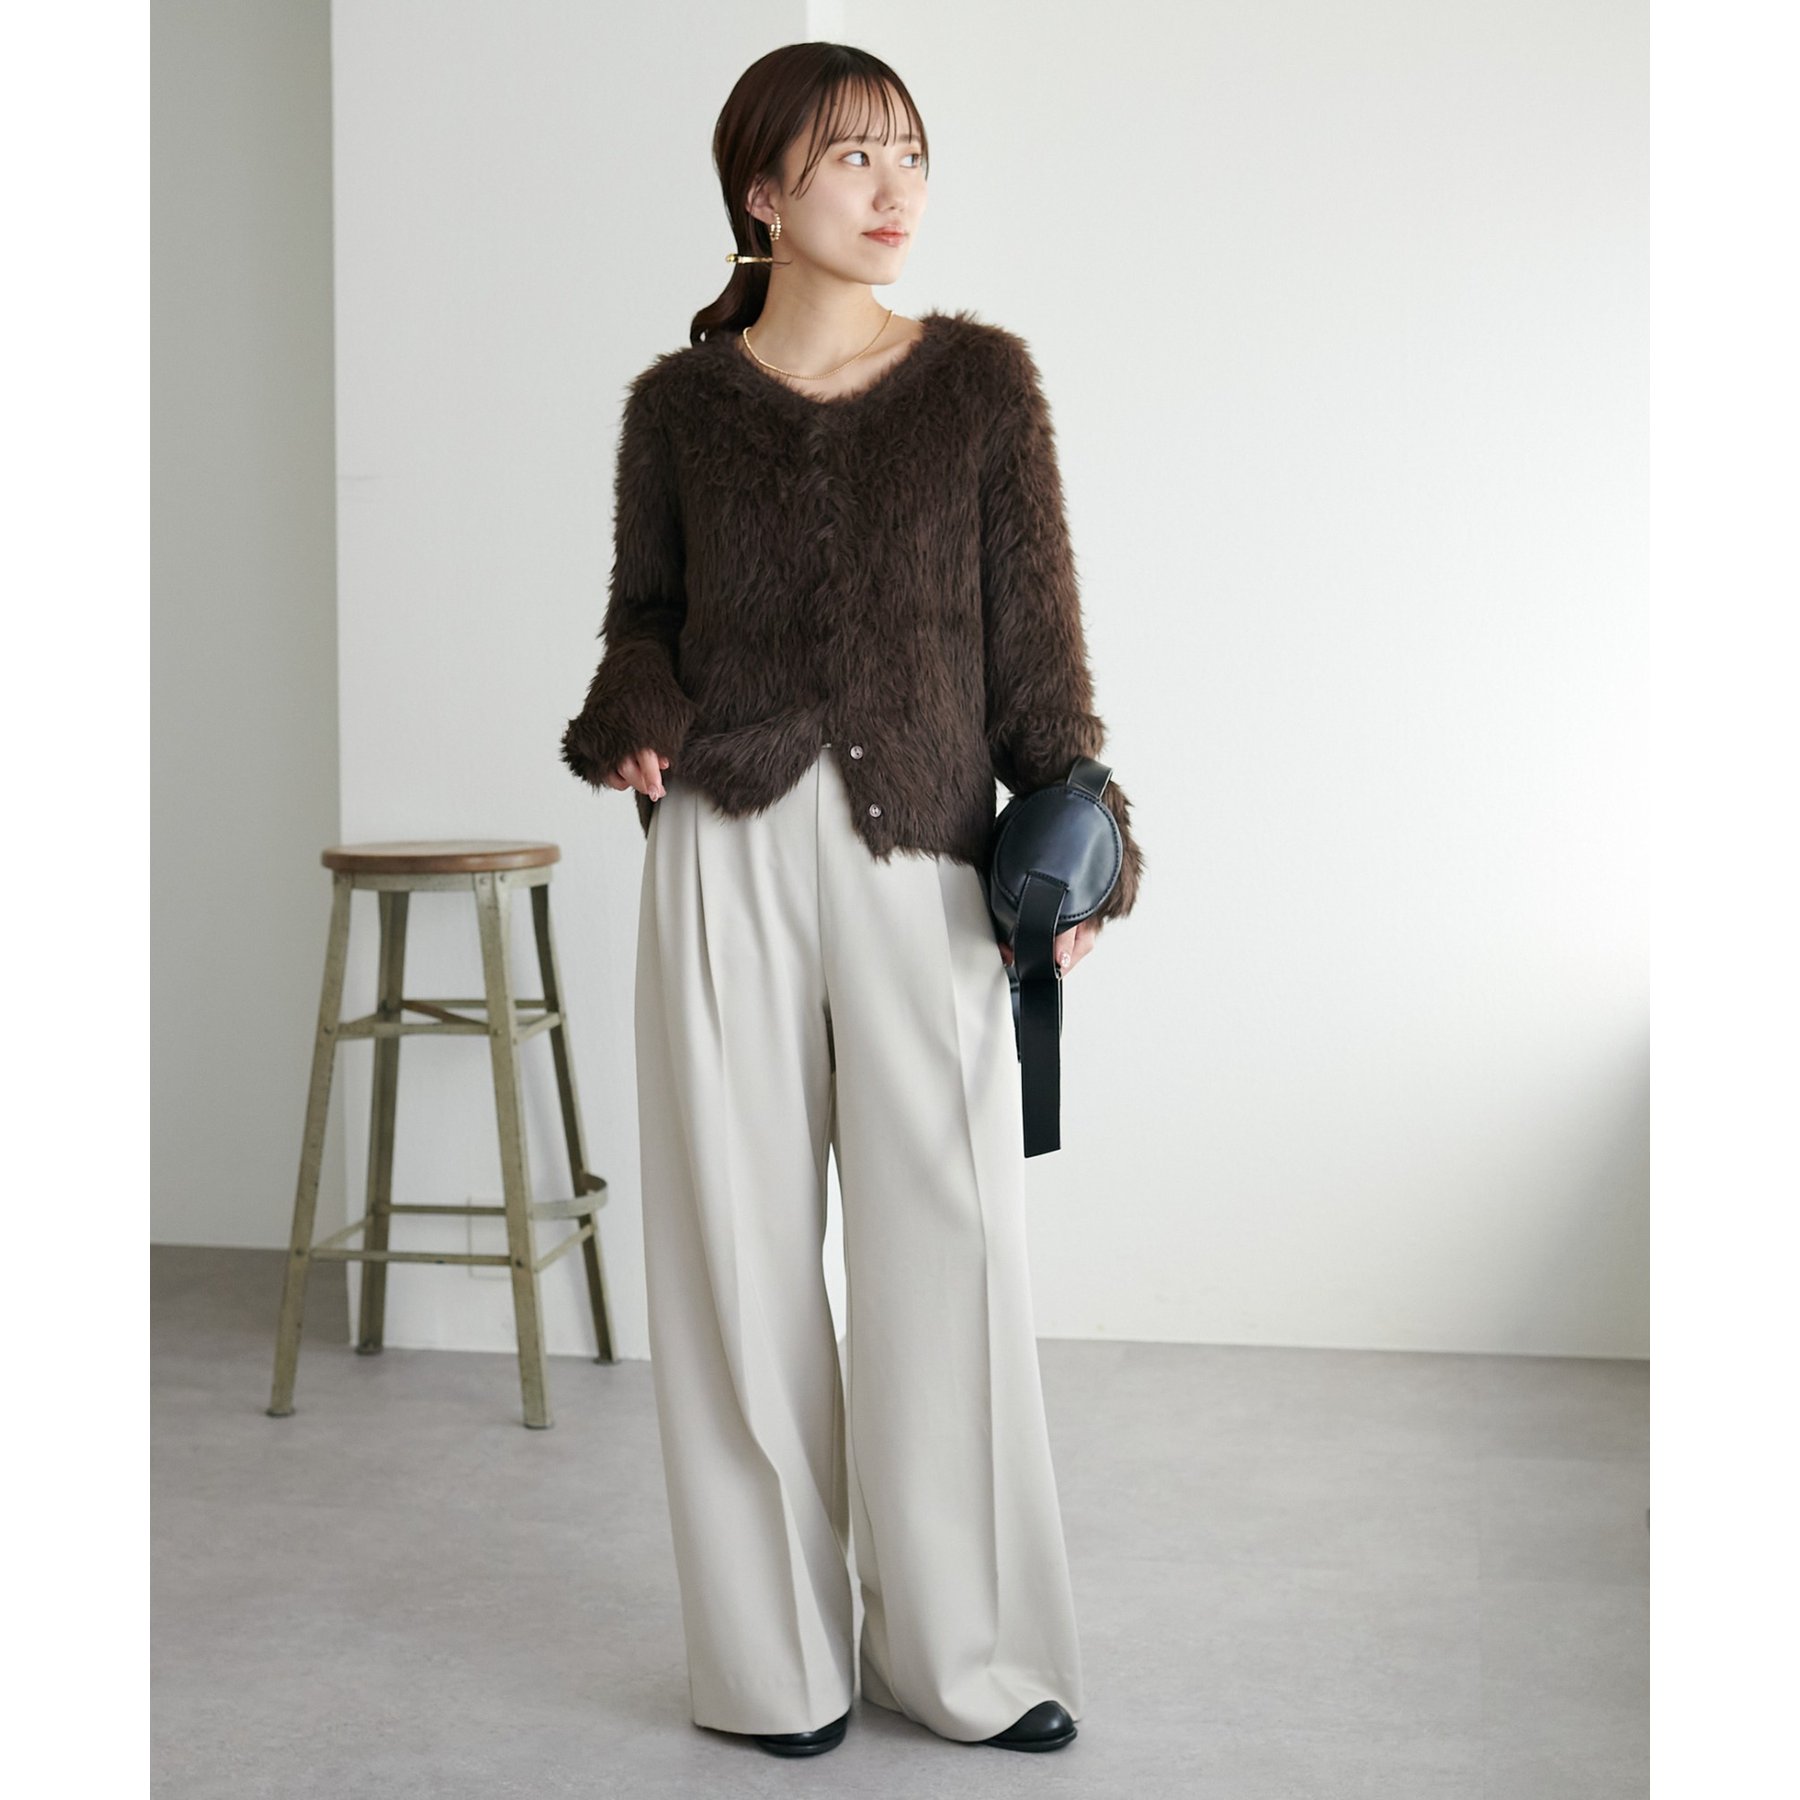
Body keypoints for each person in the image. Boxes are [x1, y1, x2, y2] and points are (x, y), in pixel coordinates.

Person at [560, 42, 1144, 1760]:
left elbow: (1039, 650)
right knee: (735, 1261)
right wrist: (630, 721)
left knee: (947, 1252)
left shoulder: (980, 388)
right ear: (764, 193)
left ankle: (963, 1656)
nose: (895, 191)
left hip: (924, 863)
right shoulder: (680, 409)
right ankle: (775, 1666)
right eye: (851, 160)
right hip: (726, 848)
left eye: (909, 155)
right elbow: (644, 621)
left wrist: (1083, 831)